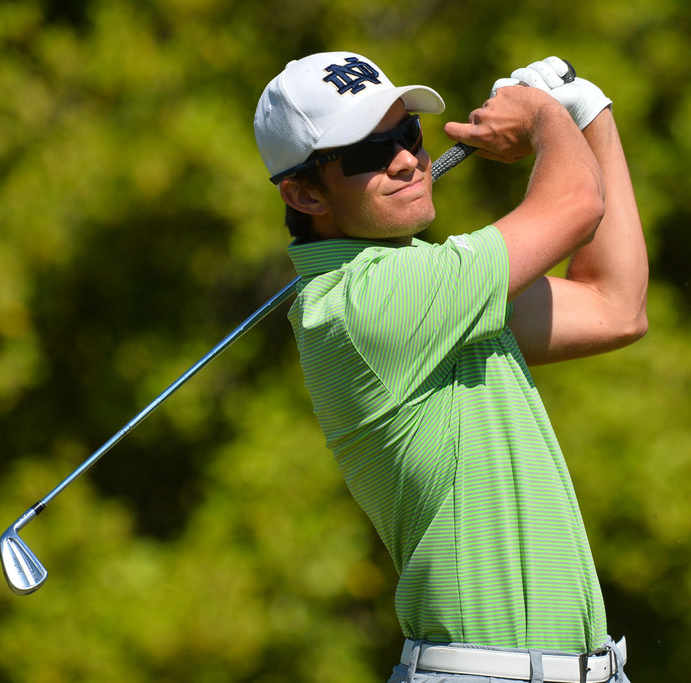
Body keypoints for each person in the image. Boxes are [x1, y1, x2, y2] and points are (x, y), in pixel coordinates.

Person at [254, 51, 648, 683]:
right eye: (367, 153)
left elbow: (614, 306)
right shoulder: (368, 303)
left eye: (406, 134)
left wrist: (591, 117)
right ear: (303, 192)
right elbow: (576, 203)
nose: (408, 160)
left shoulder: (438, 292)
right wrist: (547, 117)